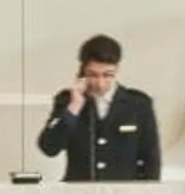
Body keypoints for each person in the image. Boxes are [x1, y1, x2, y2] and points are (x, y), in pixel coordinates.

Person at [37, 34, 162, 182]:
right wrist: (74, 107)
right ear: (83, 71)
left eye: (107, 75)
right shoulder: (67, 101)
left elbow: (151, 159)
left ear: (117, 69)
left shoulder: (138, 104)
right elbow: (49, 148)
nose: (100, 83)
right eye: (93, 75)